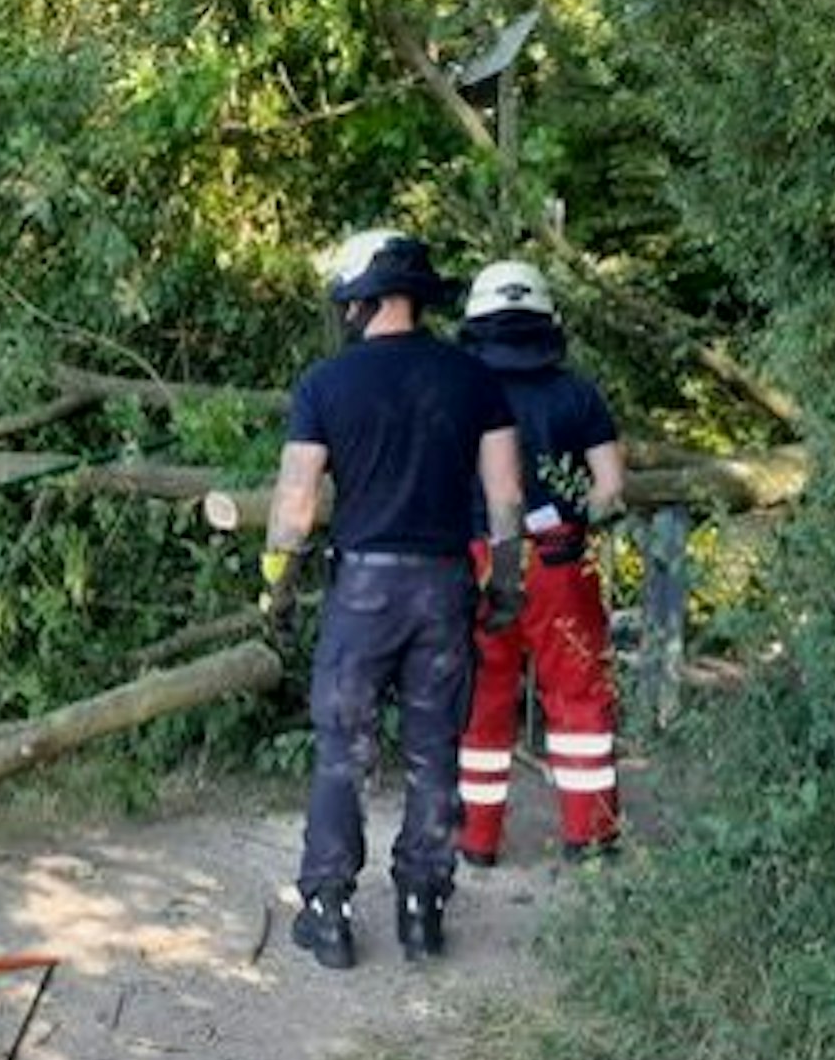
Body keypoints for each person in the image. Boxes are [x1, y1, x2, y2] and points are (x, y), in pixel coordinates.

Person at [260, 229, 527, 970]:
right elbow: (505, 499)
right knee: (432, 747)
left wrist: (277, 587)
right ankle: (421, 909)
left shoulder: (324, 384)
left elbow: (294, 507)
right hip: (442, 586)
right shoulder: (473, 380)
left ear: (361, 300)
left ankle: (329, 911)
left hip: (363, 591)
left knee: (342, 748)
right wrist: (503, 585)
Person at [452, 261, 627, 866]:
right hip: (560, 559)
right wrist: (573, 515)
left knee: (481, 696)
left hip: (479, 559)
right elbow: (609, 489)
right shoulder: (577, 393)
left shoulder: (461, 392)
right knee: (578, 693)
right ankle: (590, 835)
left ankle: (476, 839)